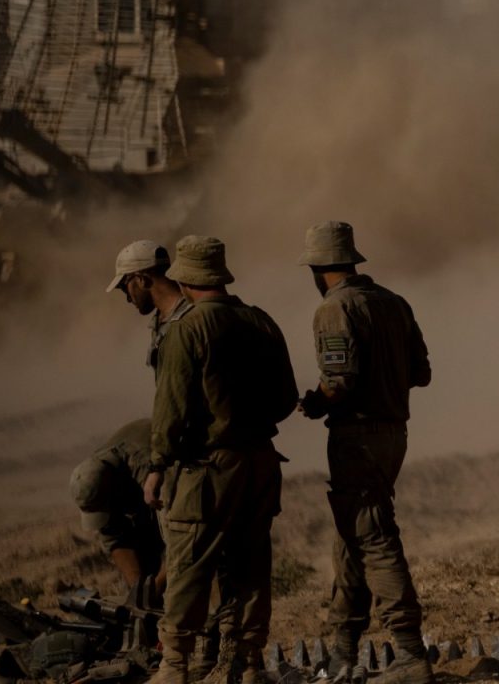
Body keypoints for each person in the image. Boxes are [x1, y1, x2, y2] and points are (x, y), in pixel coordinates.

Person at [145, 236, 298, 684]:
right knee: (251, 565)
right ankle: (246, 663)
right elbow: (286, 397)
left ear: (184, 279)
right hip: (261, 461)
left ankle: (174, 667)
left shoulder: (187, 328)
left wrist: (157, 465)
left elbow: (171, 409)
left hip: (209, 468)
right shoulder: (260, 321)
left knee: (189, 563)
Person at [297, 222, 433, 684]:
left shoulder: (334, 308)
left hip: (357, 438)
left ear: (318, 269)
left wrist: (315, 403)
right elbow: (421, 373)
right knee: (351, 538)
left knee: (373, 538)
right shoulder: (395, 302)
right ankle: (344, 649)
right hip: (393, 434)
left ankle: (410, 653)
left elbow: (338, 382)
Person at [70, 418, 164, 602]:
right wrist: (138, 590)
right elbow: (114, 537)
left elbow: (183, 539)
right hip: (143, 501)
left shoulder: (145, 467)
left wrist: (157, 586)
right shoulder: (96, 474)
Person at [106, 240, 191, 373]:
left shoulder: (192, 321)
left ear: (142, 280)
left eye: (124, 287)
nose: (128, 298)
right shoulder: (160, 325)